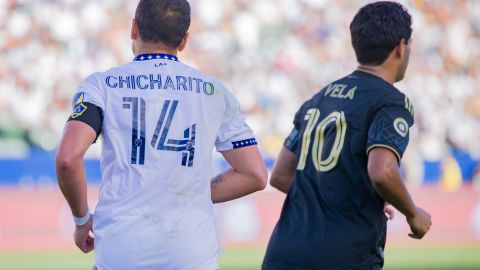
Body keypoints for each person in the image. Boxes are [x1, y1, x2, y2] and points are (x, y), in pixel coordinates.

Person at [55, 1, 267, 269]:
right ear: (184, 40)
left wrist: (81, 220)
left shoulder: (103, 86)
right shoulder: (216, 93)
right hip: (191, 256)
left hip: (121, 253)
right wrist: (191, 192)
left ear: (134, 28)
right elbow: (255, 175)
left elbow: (67, 158)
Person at [262, 2, 432, 270]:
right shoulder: (391, 102)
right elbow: (382, 171)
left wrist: (348, 196)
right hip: (343, 256)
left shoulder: (317, 99)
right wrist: (413, 213)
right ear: (401, 46)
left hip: (283, 253)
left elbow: (281, 175)